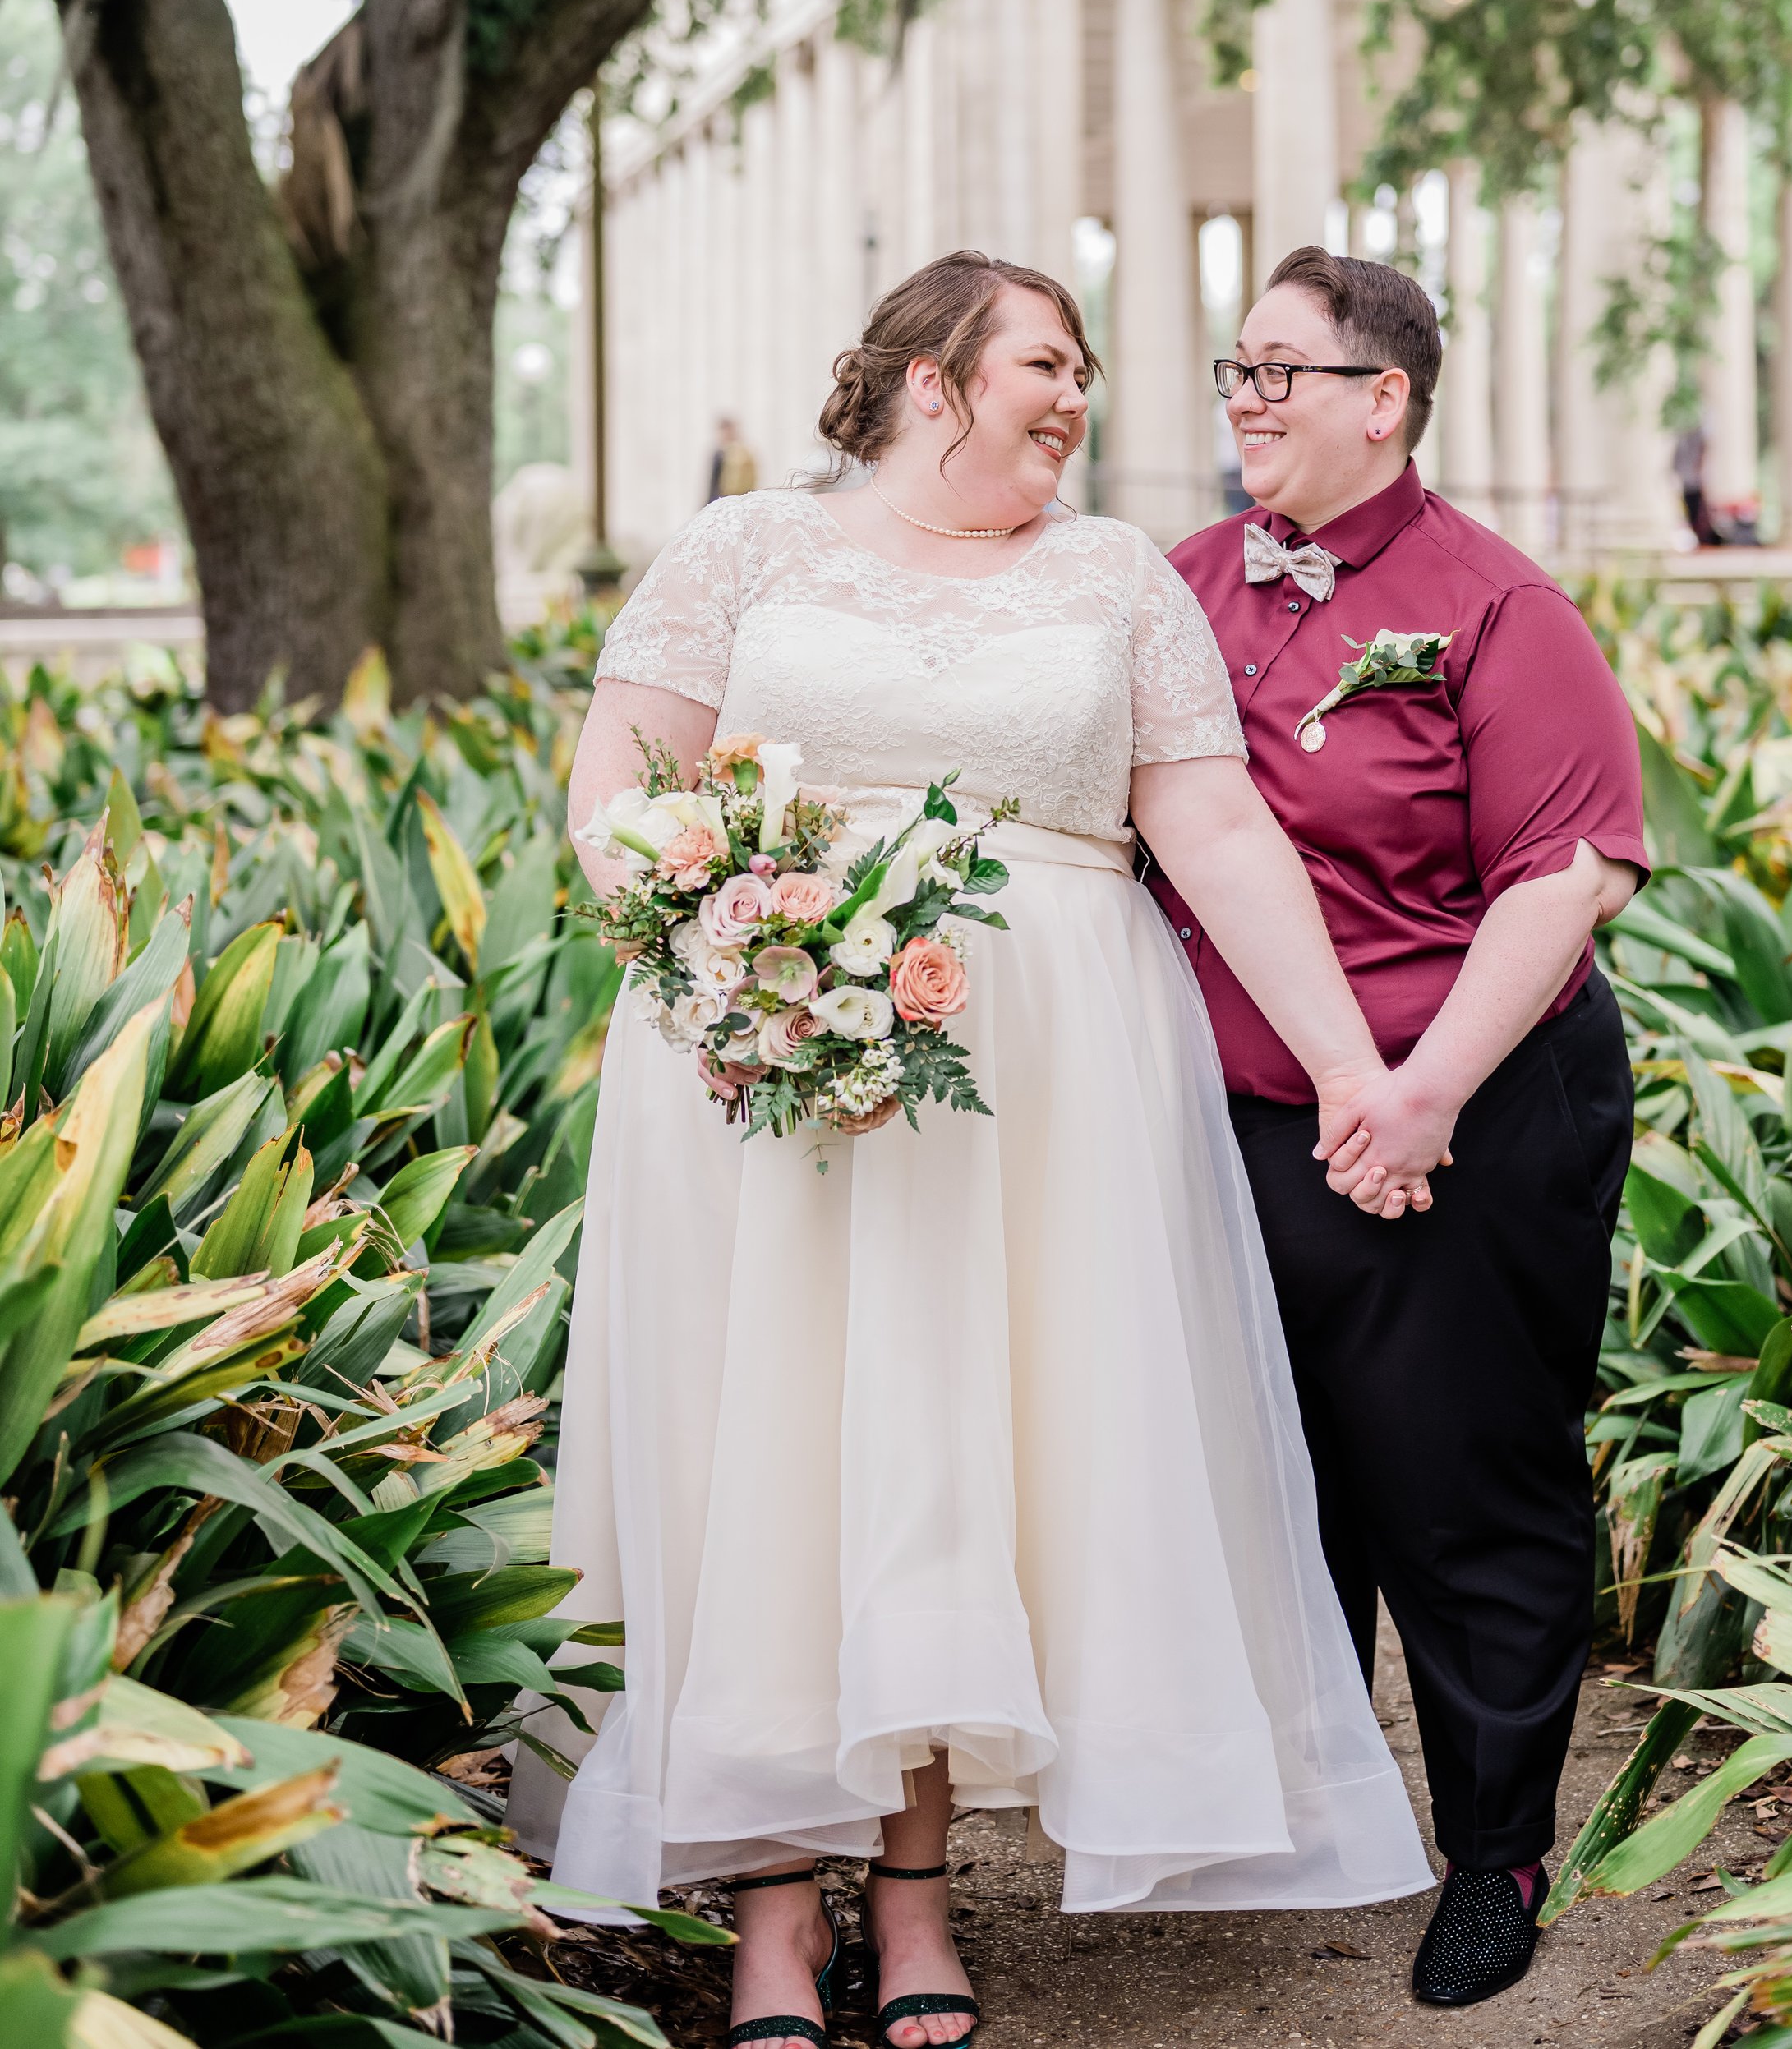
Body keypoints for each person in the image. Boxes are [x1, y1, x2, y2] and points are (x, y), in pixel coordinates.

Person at [514, 250, 1433, 2049]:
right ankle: (773, 1913)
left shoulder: (1109, 578)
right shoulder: (739, 550)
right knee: (763, 1462)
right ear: (928, 378)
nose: (1076, 394)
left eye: (1082, 367)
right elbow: (613, 794)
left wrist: (1351, 1066)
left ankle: (916, 1896)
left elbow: (1217, 828)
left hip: (1038, 1096)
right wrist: (731, 961)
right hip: (761, 1072)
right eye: (1043, 361)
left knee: (955, 1469)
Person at [1152, 246, 1647, 2012]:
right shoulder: (1169, 589)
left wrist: (1417, 1092)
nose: (1246, 396)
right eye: (1235, 367)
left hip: (1471, 1109)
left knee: (1460, 1484)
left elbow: (1560, 874)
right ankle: (1311, 1805)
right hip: (1233, 1121)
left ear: (1388, 400)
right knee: (1283, 1485)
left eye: (1285, 369)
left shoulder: (1494, 607)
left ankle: (1494, 1853)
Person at [707, 412, 759, 502]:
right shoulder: (719, 453)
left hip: (740, 496)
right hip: (721, 497)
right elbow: (714, 482)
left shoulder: (743, 452)